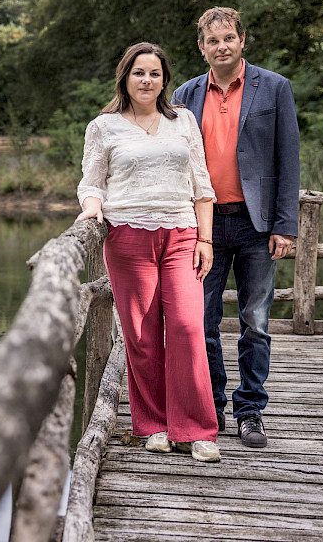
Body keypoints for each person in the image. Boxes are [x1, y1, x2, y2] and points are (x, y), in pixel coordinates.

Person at [76, 42, 220, 462]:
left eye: (154, 73)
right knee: (140, 335)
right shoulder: (103, 126)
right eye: (139, 72)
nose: (147, 80)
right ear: (125, 77)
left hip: (181, 235)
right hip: (127, 236)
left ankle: (196, 430)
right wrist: (92, 208)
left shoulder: (184, 121)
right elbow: (92, 183)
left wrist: (205, 239)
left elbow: (202, 185)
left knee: (187, 328)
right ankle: (154, 425)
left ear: (164, 79)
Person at [172, 7, 300, 448]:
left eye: (229, 38)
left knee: (255, 321)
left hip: (257, 225)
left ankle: (251, 411)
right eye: (213, 41)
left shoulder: (275, 88)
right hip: (202, 226)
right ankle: (212, 407)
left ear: (242, 40)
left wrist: (285, 225)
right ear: (202, 48)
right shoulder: (185, 95)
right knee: (201, 321)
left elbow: (288, 159)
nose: (221, 46)